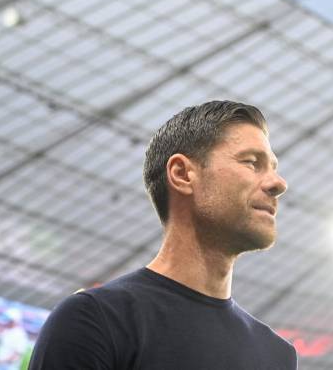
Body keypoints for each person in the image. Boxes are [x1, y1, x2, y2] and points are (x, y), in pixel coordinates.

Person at [29, 100, 295, 369]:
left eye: (273, 168)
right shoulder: (95, 320)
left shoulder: (277, 356)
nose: (279, 183)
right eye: (252, 163)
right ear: (182, 174)